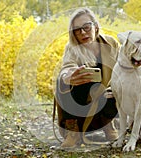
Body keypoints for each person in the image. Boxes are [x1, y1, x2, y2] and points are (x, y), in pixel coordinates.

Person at [54, 7, 119, 148]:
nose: (82, 32)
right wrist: (68, 77)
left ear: (95, 26)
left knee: (119, 88)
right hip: (83, 107)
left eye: (86, 27)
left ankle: (108, 125)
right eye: (77, 30)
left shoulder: (111, 43)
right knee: (62, 81)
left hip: (107, 100)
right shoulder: (72, 48)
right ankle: (73, 131)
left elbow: (126, 65)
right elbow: (67, 67)